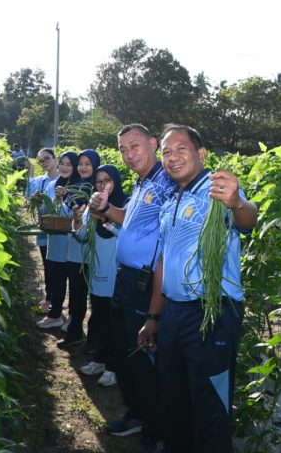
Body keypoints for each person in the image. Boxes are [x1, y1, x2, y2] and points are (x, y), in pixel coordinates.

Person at [138, 124, 257, 453]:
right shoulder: (170, 201)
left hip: (213, 312)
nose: (172, 157)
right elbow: (164, 263)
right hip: (174, 313)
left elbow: (249, 219)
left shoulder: (217, 191)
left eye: (181, 149)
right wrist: (153, 317)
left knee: (211, 411)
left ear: (201, 154)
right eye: (166, 152)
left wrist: (236, 203)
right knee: (174, 402)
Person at [88, 124, 174, 452]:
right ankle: (137, 412)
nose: (128, 154)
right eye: (123, 149)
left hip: (145, 283)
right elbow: (131, 221)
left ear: (153, 144)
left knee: (144, 357)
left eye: (134, 146)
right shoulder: (142, 183)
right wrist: (106, 210)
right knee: (127, 354)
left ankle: (156, 430)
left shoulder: (167, 183)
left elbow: (168, 241)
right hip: (124, 279)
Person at [75, 164, 128, 386]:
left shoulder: (126, 206)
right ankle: (97, 359)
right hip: (97, 271)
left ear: (116, 182)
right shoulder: (93, 205)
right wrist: (79, 220)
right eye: (98, 181)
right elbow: (82, 236)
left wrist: (109, 222)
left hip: (115, 273)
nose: (102, 185)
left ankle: (113, 367)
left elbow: (129, 238)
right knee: (97, 317)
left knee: (115, 322)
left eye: (107, 180)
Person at [58, 148, 99, 348]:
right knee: (75, 294)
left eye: (87, 164)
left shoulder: (96, 191)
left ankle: (91, 340)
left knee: (90, 298)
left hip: (89, 252)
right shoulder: (74, 186)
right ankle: (75, 333)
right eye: (81, 164)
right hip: (73, 249)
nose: (83, 168)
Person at [36, 151, 79, 330]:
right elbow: (46, 211)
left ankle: (73, 319)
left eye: (69, 164)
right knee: (56, 278)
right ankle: (55, 315)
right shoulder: (53, 185)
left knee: (74, 283)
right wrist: (41, 201)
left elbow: (73, 216)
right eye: (63, 163)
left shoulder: (79, 187)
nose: (65, 167)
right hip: (54, 240)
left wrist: (64, 199)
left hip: (72, 242)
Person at [27, 148, 59, 312]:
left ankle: (56, 301)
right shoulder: (40, 181)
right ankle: (48, 297)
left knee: (57, 267)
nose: (44, 162)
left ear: (55, 158)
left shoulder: (64, 180)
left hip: (59, 230)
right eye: (41, 161)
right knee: (47, 264)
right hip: (44, 228)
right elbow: (30, 197)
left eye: (47, 159)